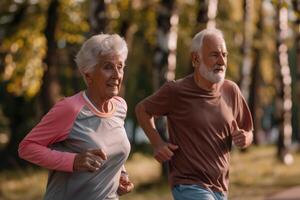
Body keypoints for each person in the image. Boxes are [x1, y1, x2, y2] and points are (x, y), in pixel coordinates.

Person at [135, 28, 253, 200]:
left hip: (220, 189)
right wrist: (157, 143)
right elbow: (142, 110)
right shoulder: (176, 91)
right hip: (188, 184)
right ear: (196, 59)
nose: (221, 61)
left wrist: (245, 138)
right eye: (214, 55)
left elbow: (248, 131)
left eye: (224, 55)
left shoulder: (231, 90)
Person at [18, 33, 134, 200]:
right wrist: (73, 161)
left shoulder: (120, 106)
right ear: (88, 74)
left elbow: (112, 146)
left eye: (120, 66)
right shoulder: (70, 109)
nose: (117, 74)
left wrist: (120, 174)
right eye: (108, 67)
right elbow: (27, 147)